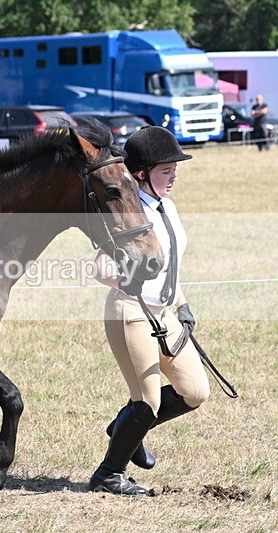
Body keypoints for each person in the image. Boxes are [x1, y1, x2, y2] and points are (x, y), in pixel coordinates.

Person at [89, 126, 210, 496]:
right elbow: (99, 268)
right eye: (166, 171)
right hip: (131, 312)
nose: (174, 177)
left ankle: (126, 427)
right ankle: (109, 474)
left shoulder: (167, 207)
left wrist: (182, 303)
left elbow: (171, 264)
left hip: (167, 314)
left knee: (195, 391)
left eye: (175, 170)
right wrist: (133, 281)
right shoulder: (128, 212)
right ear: (141, 174)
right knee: (148, 400)